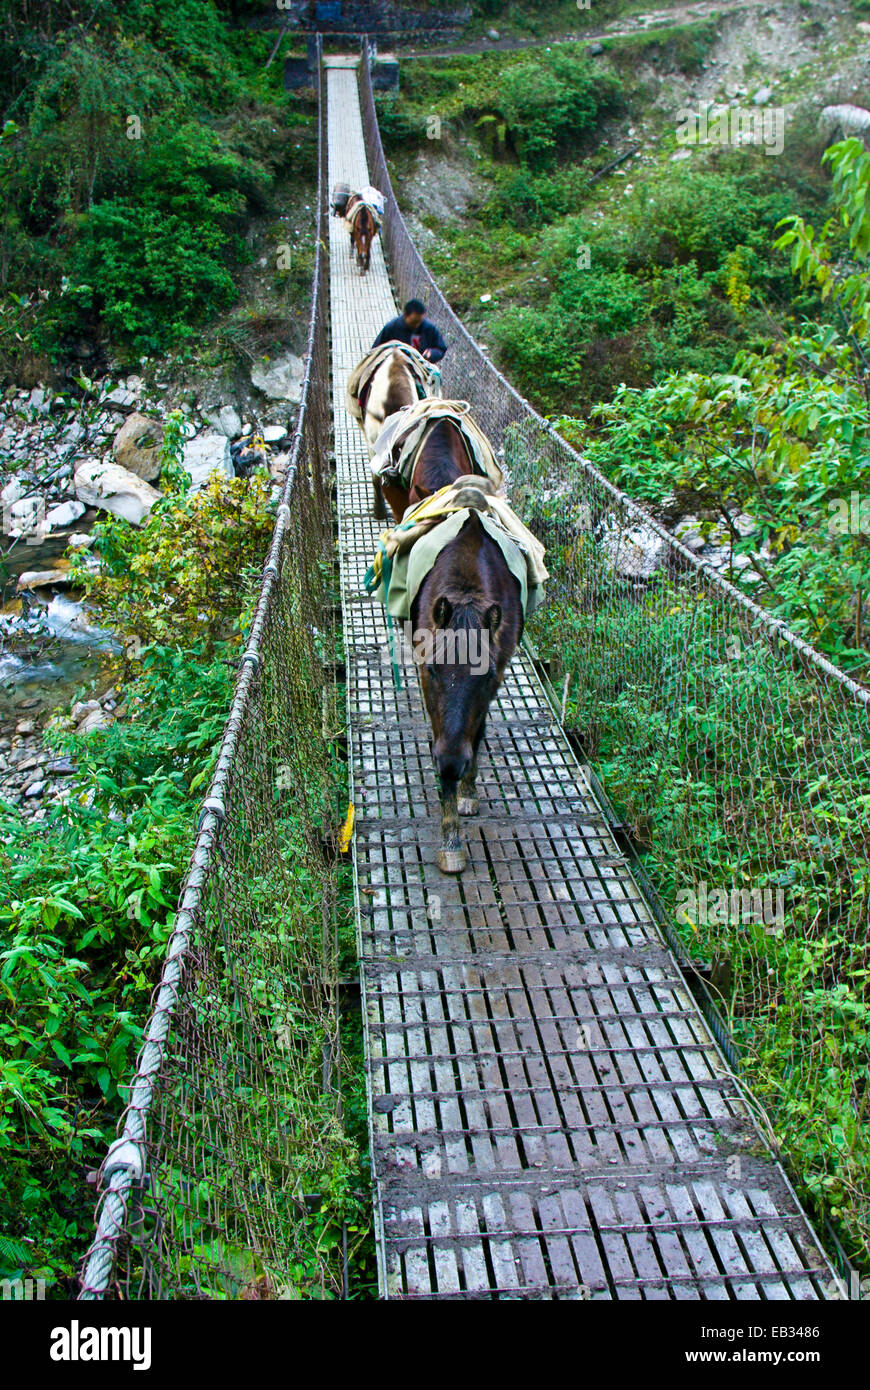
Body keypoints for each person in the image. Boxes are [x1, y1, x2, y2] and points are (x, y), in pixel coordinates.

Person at [372, 299, 447, 363]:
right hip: (394, 364)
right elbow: (376, 348)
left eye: (420, 322)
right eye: (414, 322)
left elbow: (441, 348)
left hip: (420, 365)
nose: (417, 325)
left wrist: (432, 353)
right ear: (405, 315)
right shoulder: (392, 327)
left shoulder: (429, 328)